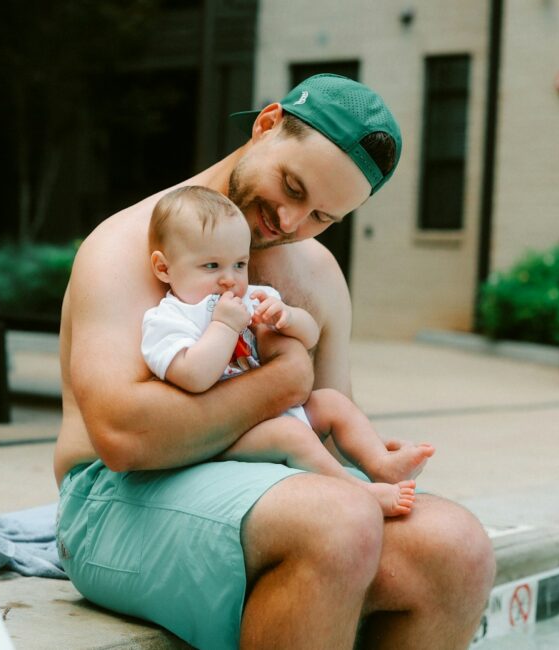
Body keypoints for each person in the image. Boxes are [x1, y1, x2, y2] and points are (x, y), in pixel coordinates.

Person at [54, 74, 496, 649]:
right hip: (117, 501)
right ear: (265, 125)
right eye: (291, 186)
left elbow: (325, 436)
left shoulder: (316, 274)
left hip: (271, 486)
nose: (290, 223)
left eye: (321, 217)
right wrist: (284, 378)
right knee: (336, 521)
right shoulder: (128, 247)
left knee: (457, 547)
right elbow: (123, 437)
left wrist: (363, 452)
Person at [141, 185, 435, 517]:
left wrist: (288, 317)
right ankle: (359, 492)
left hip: (277, 413)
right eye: (211, 266)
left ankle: (382, 464)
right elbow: (192, 376)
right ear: (164, 268)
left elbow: (310, 336)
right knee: (292, 435)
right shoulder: (168, 319)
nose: (229, 279)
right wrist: (223, 327)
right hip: (222, 437)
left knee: (332, 402)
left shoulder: (253, 296)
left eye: (239, 264)